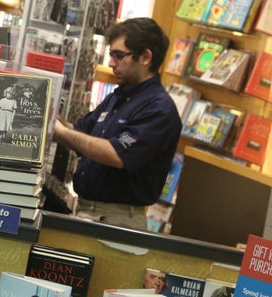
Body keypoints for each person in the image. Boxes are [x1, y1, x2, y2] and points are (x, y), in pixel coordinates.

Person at [53, 17, 182, 230]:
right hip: (89, 211)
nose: (112, 63)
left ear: (146, 57)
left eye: (119, 56)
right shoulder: (119, 96)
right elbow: (78, 131)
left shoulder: (159, 110)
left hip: (118, 219)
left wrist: (59, 132)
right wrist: (46, 116)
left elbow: (116, 155)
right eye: (111, 55)